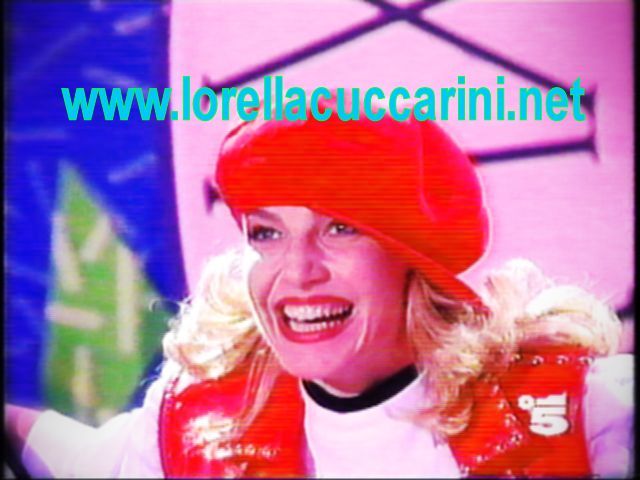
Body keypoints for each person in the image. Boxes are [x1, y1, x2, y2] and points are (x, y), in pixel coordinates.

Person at [5, 97, 633, 478]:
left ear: (413, 257)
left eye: (340, 228)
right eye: (267, 233)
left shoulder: (587, 411)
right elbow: (76, 460)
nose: (297, 272)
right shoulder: (191, 423)